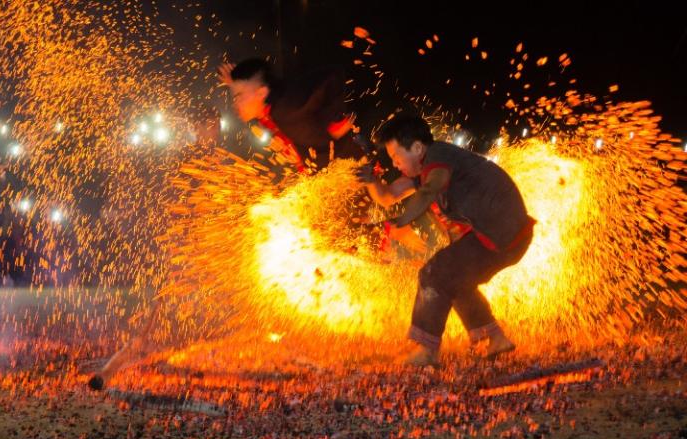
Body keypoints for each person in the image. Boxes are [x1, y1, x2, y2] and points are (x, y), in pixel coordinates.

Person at [358, 114, 535, 367]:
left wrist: (402, 222)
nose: (395, 164)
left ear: (417, 148)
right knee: (456, 281)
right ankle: (495, 339)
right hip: (507, 236)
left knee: (435, 273)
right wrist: (370, 180)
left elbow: (431, 190)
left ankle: (427, 351)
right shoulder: (422, 171)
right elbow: (387, 197)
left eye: (397, 157)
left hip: (500, 229)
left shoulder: (439, 156)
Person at [218, 58, 363, 173]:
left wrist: (335, 119)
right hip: (323, 176)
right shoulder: (266, 111)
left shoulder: (288, 107)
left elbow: (334, 75)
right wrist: (237, 85)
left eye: (238, 96)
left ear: (261, 93)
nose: (234, 104)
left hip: (354, 170)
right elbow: (254, 97)